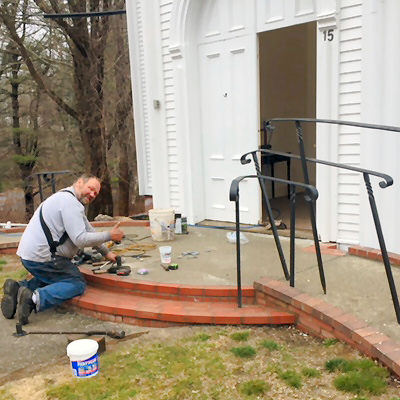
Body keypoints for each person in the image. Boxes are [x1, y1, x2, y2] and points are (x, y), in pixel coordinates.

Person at [1, 173, 124, 325]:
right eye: (90, 188)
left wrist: (107, 253)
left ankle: (18, 288)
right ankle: (33, 299)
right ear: (79, 182)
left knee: (55, 277)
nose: (92, 194)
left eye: (95, 193)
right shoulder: (70, 204)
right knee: (75, 282)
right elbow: (80, 238)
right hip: (43, 257)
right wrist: (110, 235)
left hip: (29, 255)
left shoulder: (64, 197)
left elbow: (88, 230)